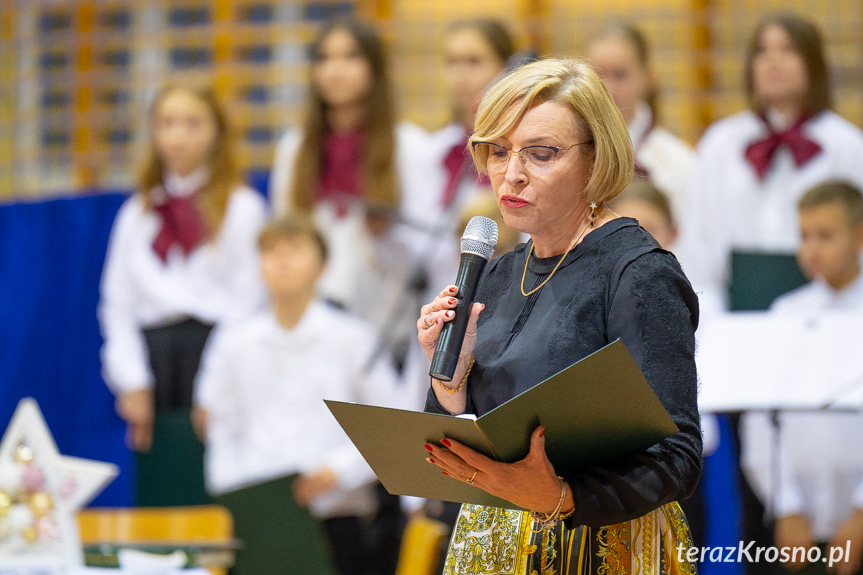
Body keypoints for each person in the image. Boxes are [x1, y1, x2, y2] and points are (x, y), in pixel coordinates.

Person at [417, 57, 701, 575]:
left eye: (541, 153)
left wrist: (562, 496)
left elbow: (677, 458)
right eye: (498, 151)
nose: (512, 173)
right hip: (497, 542)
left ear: (597, 159)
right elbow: (462, 446)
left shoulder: (637, 273)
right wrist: (452, 383)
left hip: (599, 546)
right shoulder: (497, 273)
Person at [195, 215, 407, 575]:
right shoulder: (233, 343)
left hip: (338, 516)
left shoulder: (353, 338)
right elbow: (221, 430)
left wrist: (339, 471)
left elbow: (395, 425)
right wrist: (236, 500)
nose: (282, 260)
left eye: (295, 249)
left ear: (321, 265)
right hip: (259, 520)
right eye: (271, 250)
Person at [98, 83, 267, 506]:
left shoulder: (242, 208)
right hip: (155, 363)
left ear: (216, 132)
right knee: (161, 486)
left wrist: (213, 387)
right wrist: (132, 381)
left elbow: (246, 305)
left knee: (211, 484)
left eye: (192, 123)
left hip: (215, 353)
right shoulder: (138, 213)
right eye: (167, 123)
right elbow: (116, 305)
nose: (178, 136)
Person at [676, 12, 863, 315]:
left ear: (813, 64)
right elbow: (698, 240)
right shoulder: (720, 144)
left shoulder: (848, 146)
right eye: (762, 51)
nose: (773, 61)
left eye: (788, 50)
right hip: (735, 316)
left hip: (832, 314)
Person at [269, 18, 426, 369]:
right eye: (323, 58)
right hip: (315, 330)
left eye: (350, 57)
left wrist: (385, 236)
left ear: (374, 68)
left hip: (387, 331)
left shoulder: (409, 146)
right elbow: (284, 241)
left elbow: (429, 253)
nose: (334, 69)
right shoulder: (295, 149)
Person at [740, 181, 863, 575]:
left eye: (825, 236)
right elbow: (761, 420)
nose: (810, 248)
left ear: (860, 236)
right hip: (800, 516)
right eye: (804, 235)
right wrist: (786, 504)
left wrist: (861, 511)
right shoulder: (785, 315)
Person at [587, 22, 694, 222]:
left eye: (620, 75)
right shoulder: (567, 154)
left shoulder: (678, 163)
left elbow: (689, 241)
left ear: (648, 78)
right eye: (598, 75)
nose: (608, 88)